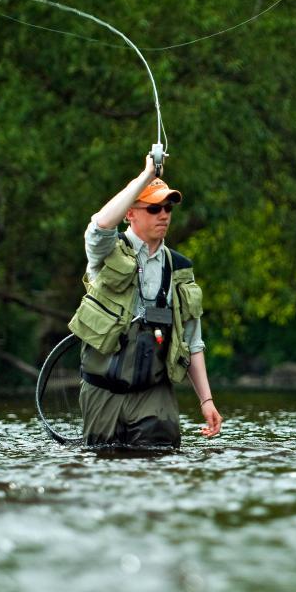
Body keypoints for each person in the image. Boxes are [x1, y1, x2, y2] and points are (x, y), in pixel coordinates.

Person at [68, 155, 222, 448]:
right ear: (131, 214)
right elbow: (98, 225)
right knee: (104, 462)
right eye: (153, 208)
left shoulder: (179, 268)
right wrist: (147, 174)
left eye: (168, 208)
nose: (163, 214)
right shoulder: (105, 253)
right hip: (103, 391)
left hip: (154, 392)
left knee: (162, 458)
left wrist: (207, 401)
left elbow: (193, 342)